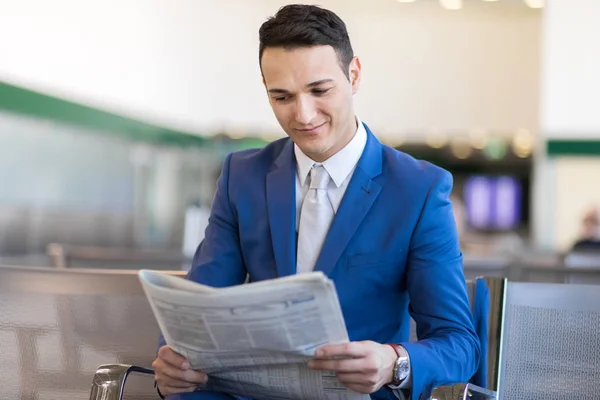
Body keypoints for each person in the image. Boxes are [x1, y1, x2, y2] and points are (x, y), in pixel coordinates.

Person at [152, 4, 480, 400]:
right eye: (282, 97)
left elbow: (459, 344)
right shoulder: (242, 175)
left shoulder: (419, 189)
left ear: (354, 74)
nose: (303, 115)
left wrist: (394, 362)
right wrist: (173, 362)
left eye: (320, 90)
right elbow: (196, 310)